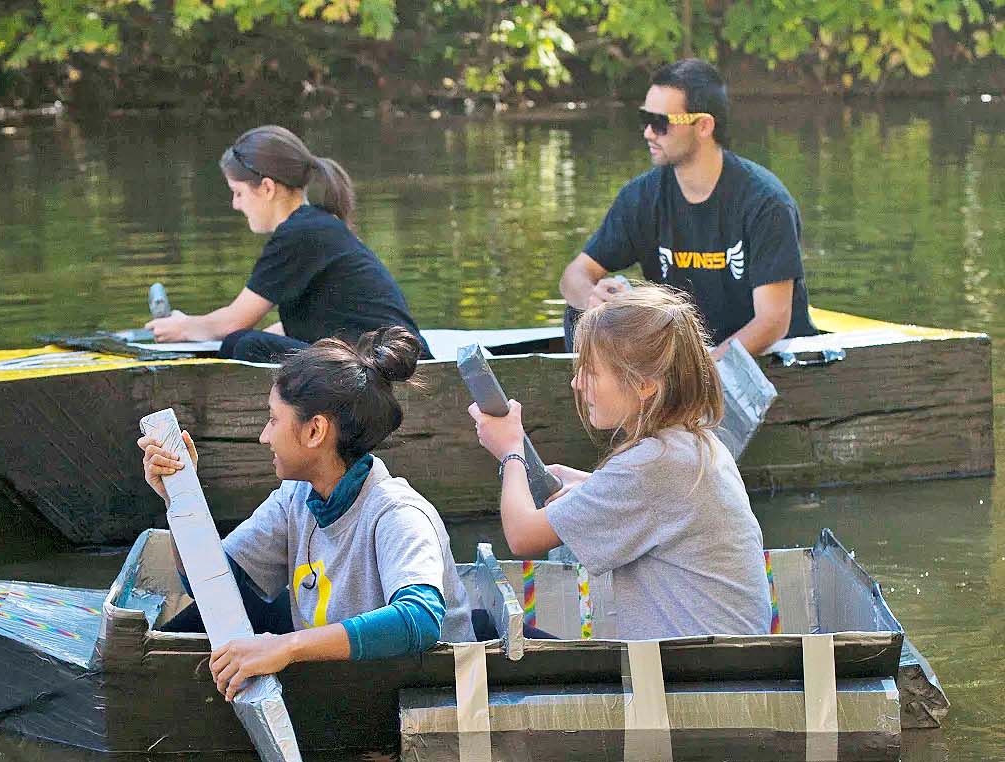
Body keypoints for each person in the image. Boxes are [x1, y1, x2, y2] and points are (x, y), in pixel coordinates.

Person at [138, 327, 473, 700]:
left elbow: (419, 620)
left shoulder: (397, 513)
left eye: (274, 420)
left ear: (315, 431)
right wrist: (181, 499)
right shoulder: (295, 498)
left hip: (431, 698)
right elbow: (211, 586)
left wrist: (286, 646)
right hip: (353, 693)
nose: (265, 436)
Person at [468, 285, 771, 640]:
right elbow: (651, 500)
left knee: (478, 628)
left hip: (685, 683)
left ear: (644, 385)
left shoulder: (650, 465)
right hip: (716, 666)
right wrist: (582, 483)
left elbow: (522, 536)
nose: (576, 382)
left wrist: (511, 451)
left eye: (591, 372)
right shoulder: (694, 442)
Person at [559, 59, 817, 360]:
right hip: (687, 358)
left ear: (704, 125)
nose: (647, 133)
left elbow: (771, 322)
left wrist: (704, 372)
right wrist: (596, 299)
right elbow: (574, 275)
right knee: (578, 315)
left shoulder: (765, 203)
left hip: (763, 362)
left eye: (661, 123)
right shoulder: (641, 197)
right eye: (645, 119)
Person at [144, 125, 430, 362]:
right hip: (388, 358)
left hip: (384, 366)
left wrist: (183, 327)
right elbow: (312, 320)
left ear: (267, 188)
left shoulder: (299, 234)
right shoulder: (317, 224)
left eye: (238, 193)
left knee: (242, 344)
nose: (235, 204)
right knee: (249, 341)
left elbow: (233, 322)